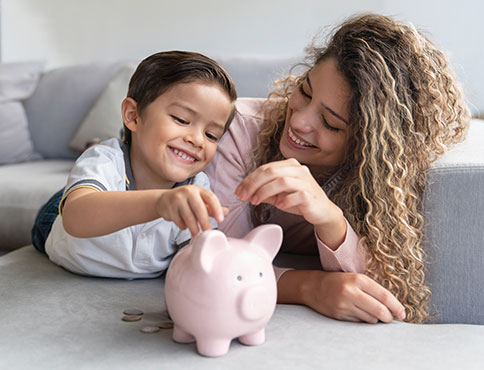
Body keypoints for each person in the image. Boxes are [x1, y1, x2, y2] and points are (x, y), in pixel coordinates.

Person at [205, 13, 470, 324]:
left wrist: (330, 218)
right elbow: (220, 261)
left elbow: (391, 283)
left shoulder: (386, 178)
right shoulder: (237, 132)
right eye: (304, 91)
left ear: (367, 144)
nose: (300, 121)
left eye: (330, 123)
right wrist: (310, 287)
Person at [33, 50, 237, 279]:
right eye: (181, 120)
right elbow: (75, 217)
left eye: (211, 135)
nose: (197, 140)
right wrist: (160, 203)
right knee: (78, 186)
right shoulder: (105, 161)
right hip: (60, 222)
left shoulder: (196, 188)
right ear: (133, 115)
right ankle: (94, 155)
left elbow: (199, 260)